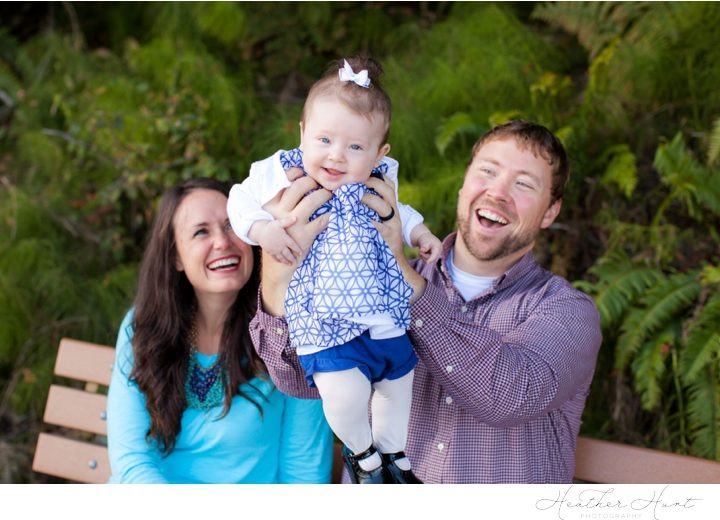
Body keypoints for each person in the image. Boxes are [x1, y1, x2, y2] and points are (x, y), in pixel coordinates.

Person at [250, 120, 603, 483]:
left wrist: (399, 273)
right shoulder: (361, 283)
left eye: (523, 184)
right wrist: (279, 268)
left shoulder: (568, 310)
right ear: (464, 184)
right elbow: (296, 379)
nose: (498, 192)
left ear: (550, 212)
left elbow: (511, 394)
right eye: (487, 172)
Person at [228, 57, 442, 484]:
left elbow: (400, 211)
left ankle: (393, 455)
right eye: (324, 139)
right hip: (323, 317)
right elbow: (238, 199)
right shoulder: (283, 172)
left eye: (355, 147)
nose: (336, 156)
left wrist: (419, 234)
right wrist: (262, 231)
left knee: (399, 384)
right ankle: (362, 453)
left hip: (382, 315)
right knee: (343, 396)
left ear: (380, 153)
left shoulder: (375, 182)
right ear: (303, 132)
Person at [106, 178, 333, 483]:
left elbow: (303, 471)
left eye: (232, 225)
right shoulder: (143, 328)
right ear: (175, 256)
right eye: (201, 232)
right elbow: (131, 459)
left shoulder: (291, 333)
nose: (223, 242)